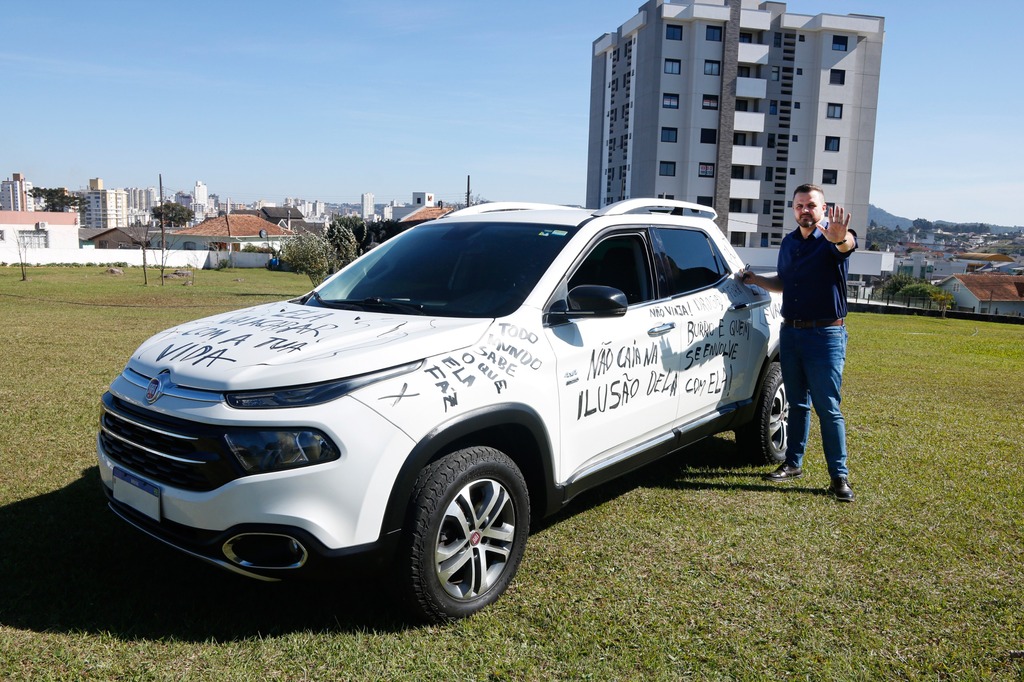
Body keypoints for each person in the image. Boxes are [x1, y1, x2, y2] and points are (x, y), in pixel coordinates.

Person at [740, 184, 857, 502]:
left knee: (828, 408)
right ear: (793, 210)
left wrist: (840, 238)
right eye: (799, 206)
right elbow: (784, 281)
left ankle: (839, 477)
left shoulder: (832, 236)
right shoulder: (789, 243)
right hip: (790, 333)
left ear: (823, 208)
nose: (805, 210)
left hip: (826, 336)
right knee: (797, 403)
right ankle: (793, 464)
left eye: (811, 205)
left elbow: (845, 245)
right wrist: (757, 280)